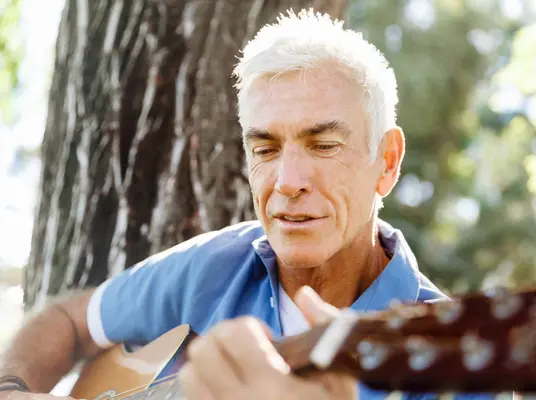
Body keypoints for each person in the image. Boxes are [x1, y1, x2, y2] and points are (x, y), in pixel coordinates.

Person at [0, 9, 491, 400]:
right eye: (266, 149)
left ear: (386, 161)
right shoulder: (213, 266)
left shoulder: (459, 369)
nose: (287, 182)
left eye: (323, 145)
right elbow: (68, 320)